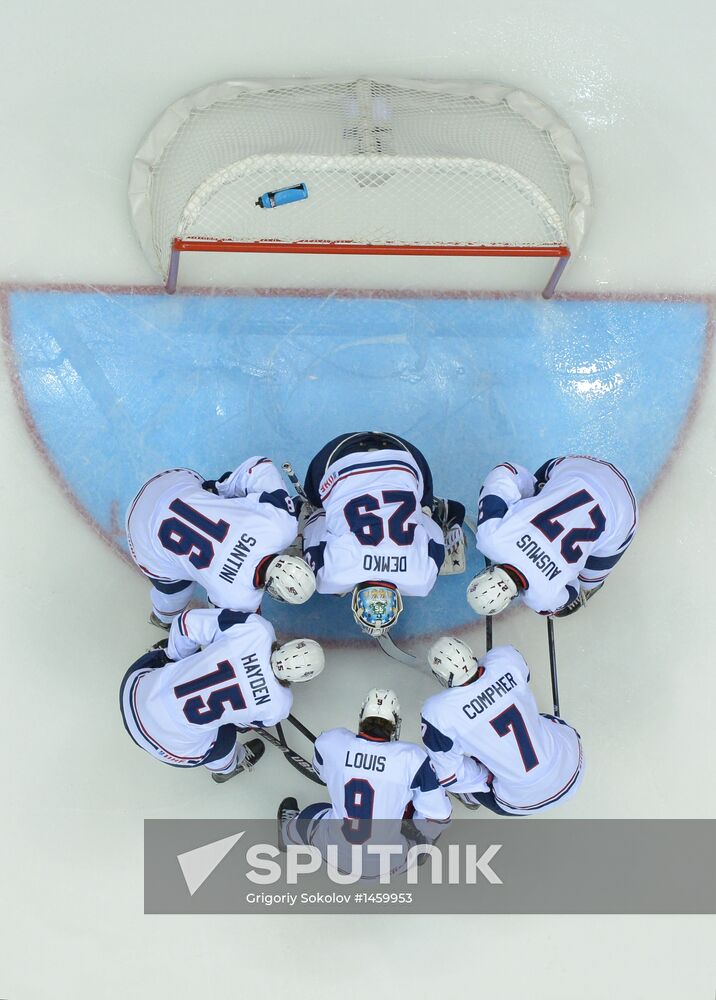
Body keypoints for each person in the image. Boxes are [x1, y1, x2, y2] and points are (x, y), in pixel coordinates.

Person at [120, 607, 324, 783]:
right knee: (225, 735)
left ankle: (168, 661)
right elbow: (242, 725)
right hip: (171, 748)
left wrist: (177, 661)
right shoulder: (279, 706)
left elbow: (185, 624)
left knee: (172, 654)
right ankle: (227, 767)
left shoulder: (258, 630)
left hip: (134, 693)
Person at [300, 431, 466, 637]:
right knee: (315, 506)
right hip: (339, 457)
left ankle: (431, 505)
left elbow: (431, 530)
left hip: (405, 457)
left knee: (422, 510)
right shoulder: (329, 578)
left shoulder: (422, 580)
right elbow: (315, 521)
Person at [126, 456, 316, 629]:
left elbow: (260, 467)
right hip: (141, 533)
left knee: (251, 502)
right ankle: (163, 619)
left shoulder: (281, 525)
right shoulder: (238, 599)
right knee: (175, 597)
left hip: (171, 482)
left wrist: (217, 489)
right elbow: (226, 630)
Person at [278, 688, 451, 863]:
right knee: (428, 807)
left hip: (334, 854)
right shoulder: (413, 758)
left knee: (314, 812)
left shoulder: (331, 741)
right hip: (388, 864)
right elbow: (440, 815)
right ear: (395, 724)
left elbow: (321, 774)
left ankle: (287, 837)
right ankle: (418, 851)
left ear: (362, 716)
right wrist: (418, 830)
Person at [422, 637, 583, 815]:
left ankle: (471, 797)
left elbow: (450, 776)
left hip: (522, 801)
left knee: (444, 768)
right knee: (535, 717)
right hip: (573, 766)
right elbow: (523, 675)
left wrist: (485, 777)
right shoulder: (505, 657)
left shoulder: (438, 712)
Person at [466, 455, 638, 618]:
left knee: (587, 582)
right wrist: (532, 494)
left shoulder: (543, 600)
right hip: (582, 468)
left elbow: (572, 590)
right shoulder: (491, 539)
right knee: (535, 492)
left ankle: (590, 586)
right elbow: (504, 472)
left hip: (625, 512)